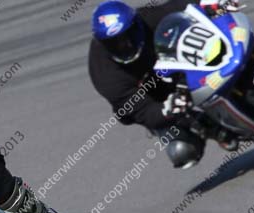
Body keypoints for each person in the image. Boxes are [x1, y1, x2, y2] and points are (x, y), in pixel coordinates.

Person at [88, 0, 241, 169]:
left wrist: (211, 4)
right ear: (102, 44)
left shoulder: (146, 19)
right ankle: (209, 127)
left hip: (175, 66)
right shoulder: (105, 75)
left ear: (136, 24)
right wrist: (167, 109)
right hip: (153, 96)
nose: (126, 45)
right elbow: (142, 111)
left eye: (129, 35)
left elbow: (181, 6)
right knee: (182, 151)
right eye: (114, 43)